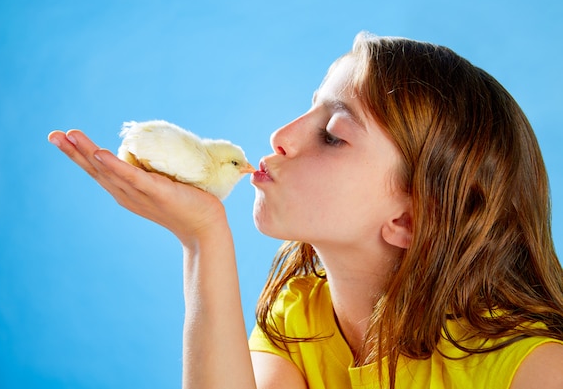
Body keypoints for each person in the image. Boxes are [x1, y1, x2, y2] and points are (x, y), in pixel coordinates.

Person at [48, 32, 563, 388]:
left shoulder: (536, 371)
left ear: (407, 219)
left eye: (333, 135)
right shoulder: (298, 315)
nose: (283, 135)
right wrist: (204, 237)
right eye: (309, 105)